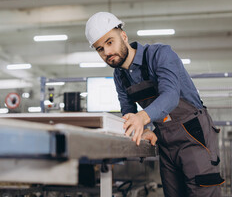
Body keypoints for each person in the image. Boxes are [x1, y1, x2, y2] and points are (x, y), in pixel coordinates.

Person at [85, 12, 224, 197]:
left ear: (123, 36)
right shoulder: (120, 75)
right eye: (100, 49)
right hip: (166, 143)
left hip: (194, 136)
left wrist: (142, 119)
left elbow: (171, 96)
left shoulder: (160, 54)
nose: (107, 52)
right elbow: (128, 112)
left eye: (110, 42)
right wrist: (143, 130)